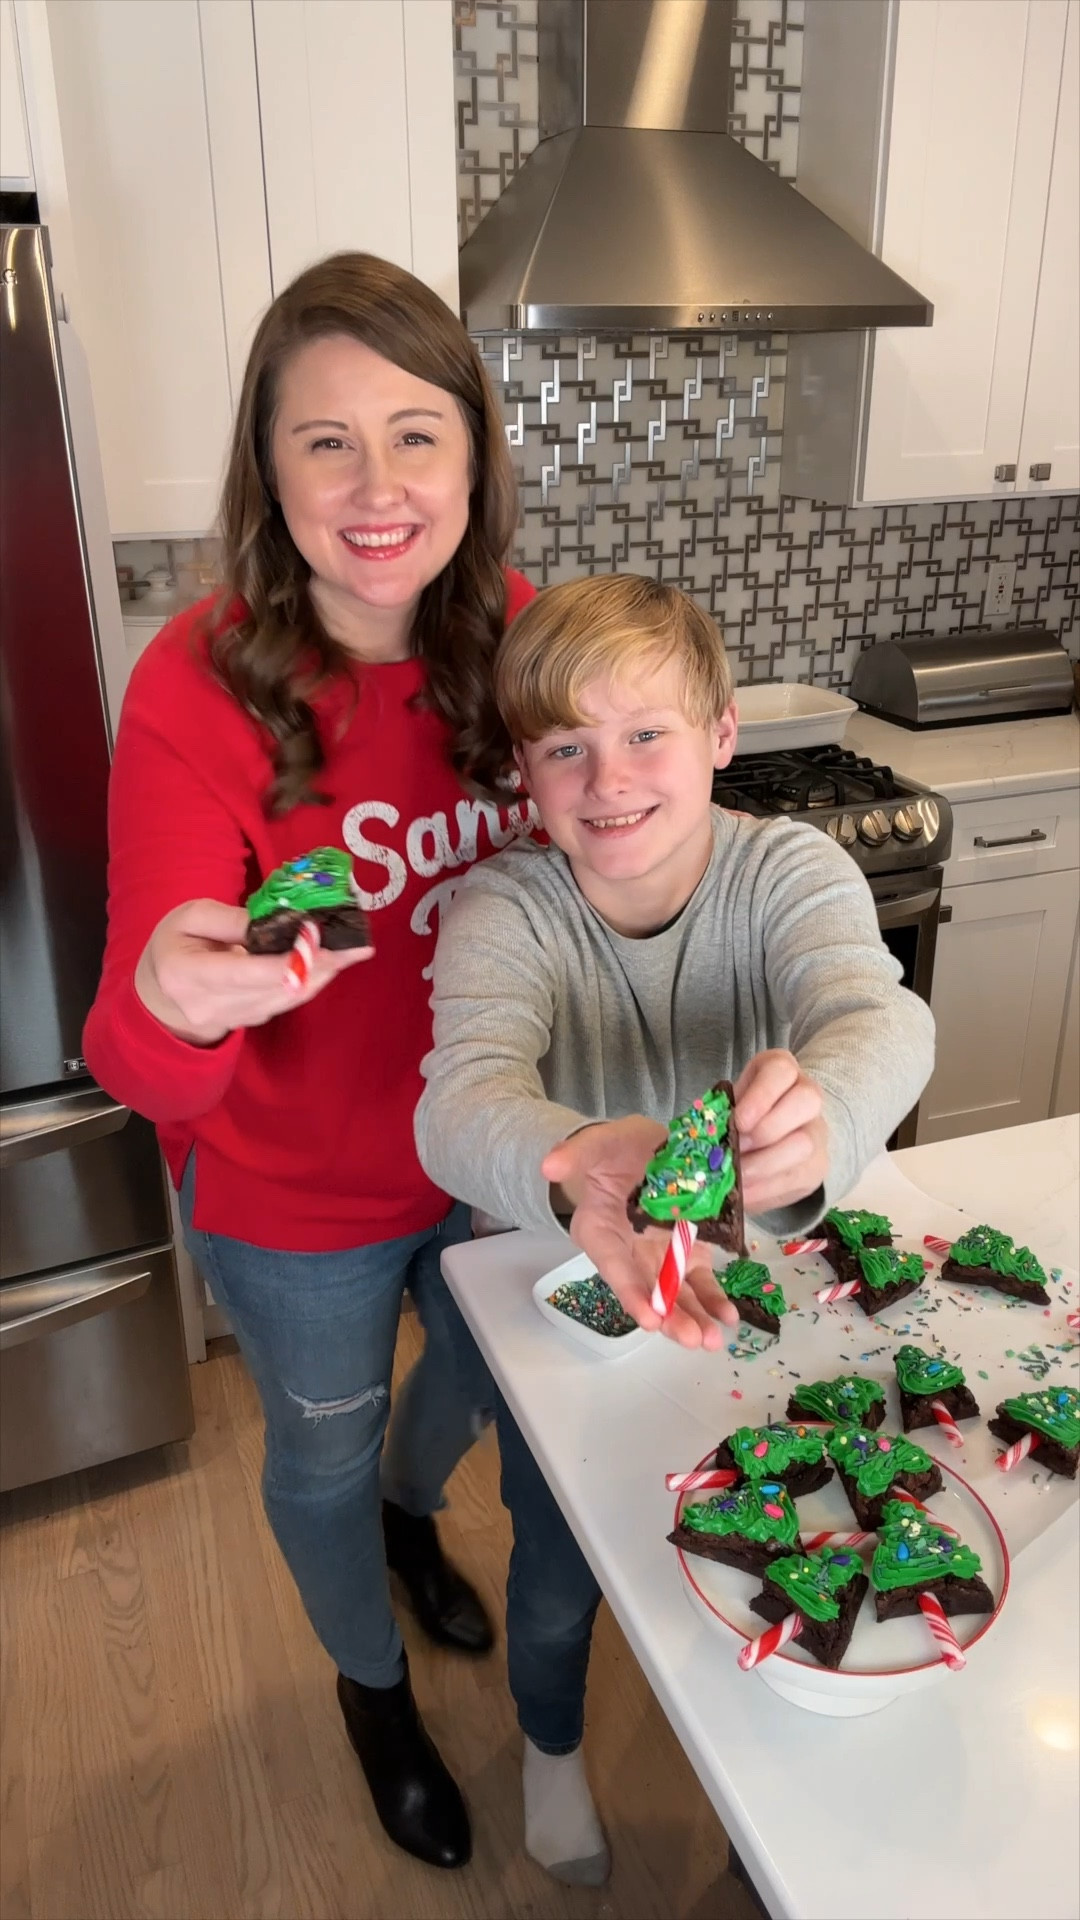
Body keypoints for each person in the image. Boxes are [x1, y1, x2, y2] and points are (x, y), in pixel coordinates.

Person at [83, 252, 538, 1872]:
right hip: (297, 1205)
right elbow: (140, 1051)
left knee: (490, 1396)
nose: (376, 485)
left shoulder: (523, 641)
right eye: (323, 439)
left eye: (417, 434)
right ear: (265, 469)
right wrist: (178, 1006)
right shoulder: (198, 684)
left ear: (476, 458)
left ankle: (422, 1521)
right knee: (322, 1454)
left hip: (493, 1162)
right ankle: (370, 1692)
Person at [415, 572, 935, 1885]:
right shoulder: (506, 909)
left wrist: (826, 1104)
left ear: (720, 733)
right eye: (566, 748)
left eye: (647, 733)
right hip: (556, 1283)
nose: (611, 780)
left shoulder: (789, 870)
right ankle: (546, 1743)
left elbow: (881, 1014)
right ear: (525, 771)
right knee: (555, 1564)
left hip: (741, 1294)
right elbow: (456, 1099)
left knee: (765, 1503)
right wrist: (576, 1155)